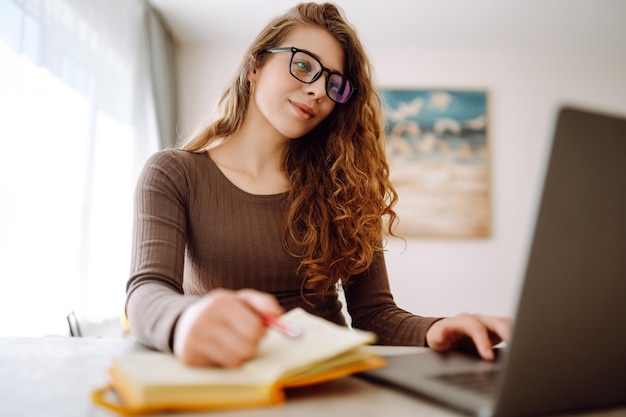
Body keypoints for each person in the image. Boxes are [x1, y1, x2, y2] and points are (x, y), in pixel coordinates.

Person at [126, 2, 511, 368]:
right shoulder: (173, 174)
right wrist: (185, 320)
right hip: (236, 382)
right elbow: (146, 293)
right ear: (255, 65)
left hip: (335, 381)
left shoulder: (343, 186)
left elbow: (374, 315)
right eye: (304, 65)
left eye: (334, 83)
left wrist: (435, 329)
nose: (317, 90)